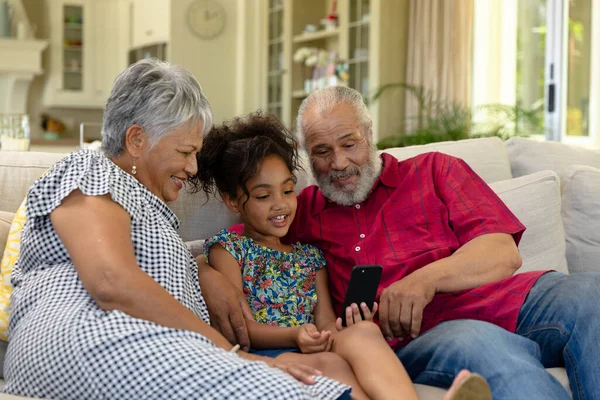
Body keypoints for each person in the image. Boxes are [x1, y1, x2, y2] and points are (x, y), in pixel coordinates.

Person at [199, 86, 600, 400]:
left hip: (514, 299)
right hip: (431, 333)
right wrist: (206, 273)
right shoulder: (301, 209)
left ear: (370, 135)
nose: (338, 163)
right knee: (485, 345)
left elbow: (501, 250)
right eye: (322, 152)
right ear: (308, 156)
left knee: (590, 292)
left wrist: (423, 280)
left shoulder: (436, 170)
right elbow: (247, 237)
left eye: (349, 143)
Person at [1, 59, 354, 400]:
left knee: (309, 379)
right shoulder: (91, 172)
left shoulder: (151, 209)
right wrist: (232, 354)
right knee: (286, 387)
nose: (192, 167)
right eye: (185, 151)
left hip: (144, 342)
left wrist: (203, 270)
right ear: (137, 140)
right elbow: (111, 281)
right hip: (85, 339)